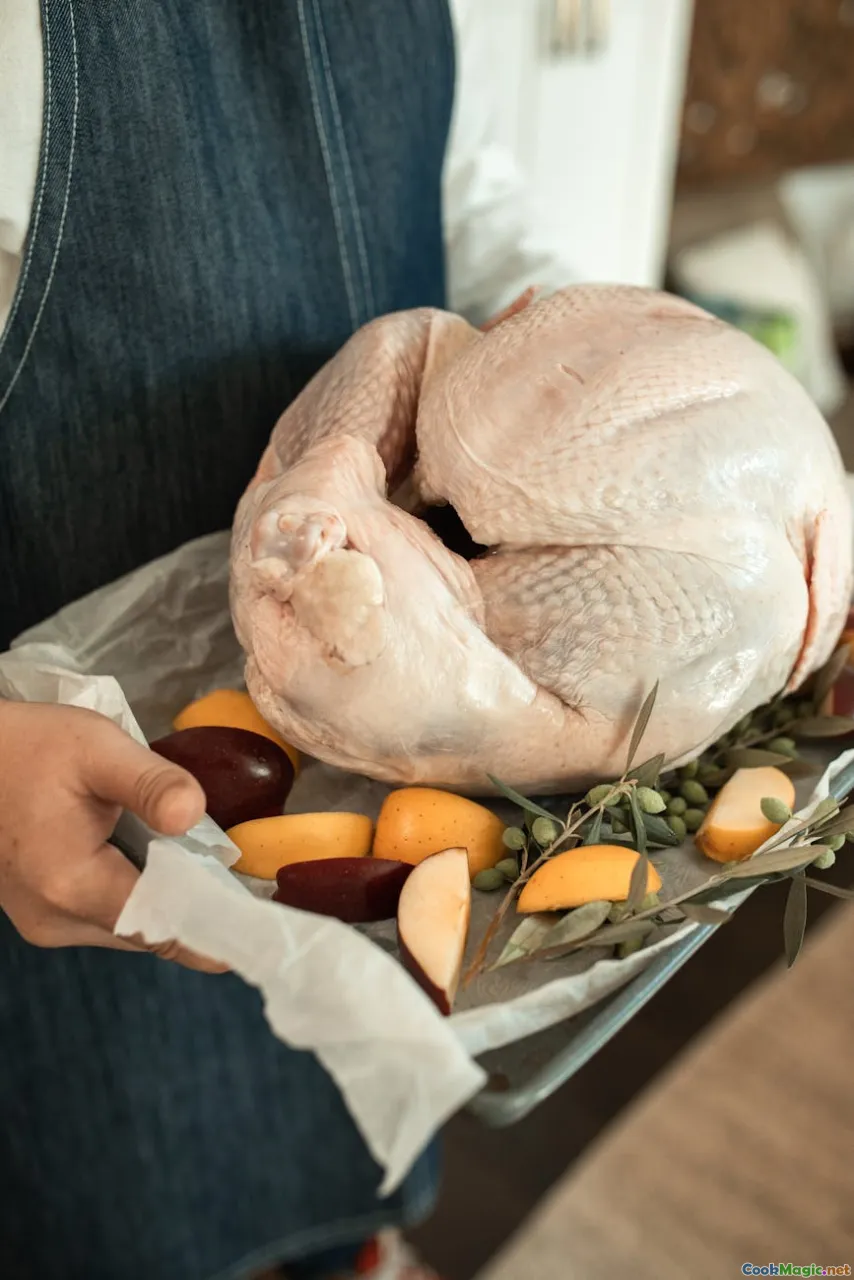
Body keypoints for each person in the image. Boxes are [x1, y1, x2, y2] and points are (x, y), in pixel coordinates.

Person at [0, 3, 576, 1277]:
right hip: (68, 854)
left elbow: (466, 200)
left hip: (385, 786)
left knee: (341, 1169)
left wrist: (584, 356)